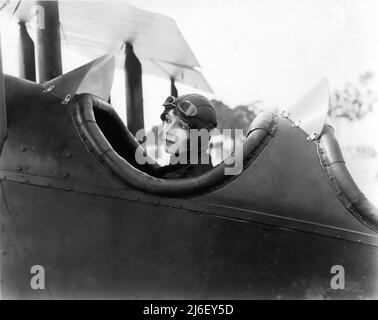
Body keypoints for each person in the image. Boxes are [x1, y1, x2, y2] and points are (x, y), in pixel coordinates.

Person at [153, 93, 217, 179]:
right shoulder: (173, 171)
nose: (168, 130)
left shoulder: (186, 182)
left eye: (181, 125)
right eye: (168, 120)